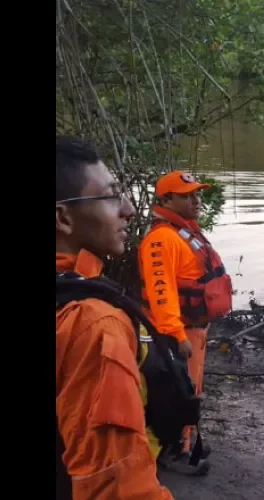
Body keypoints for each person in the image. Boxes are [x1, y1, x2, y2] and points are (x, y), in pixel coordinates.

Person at [56, 136, 174, 499]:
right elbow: (117, 486)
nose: (128, 209)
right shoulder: (93, 325)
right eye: (110, 196)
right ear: (62, 217)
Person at [139, 170, 234, 468]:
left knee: (190, 391)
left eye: (196, 194)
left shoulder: (184, 232)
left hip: (193, 329)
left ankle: (184, 441)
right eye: (187, 195)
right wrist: (177, 337)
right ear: (166, 199)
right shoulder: (160, 240)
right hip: (173, 334)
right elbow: (161, 293)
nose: (196, 200)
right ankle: (162, 452)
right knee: (176, 392)